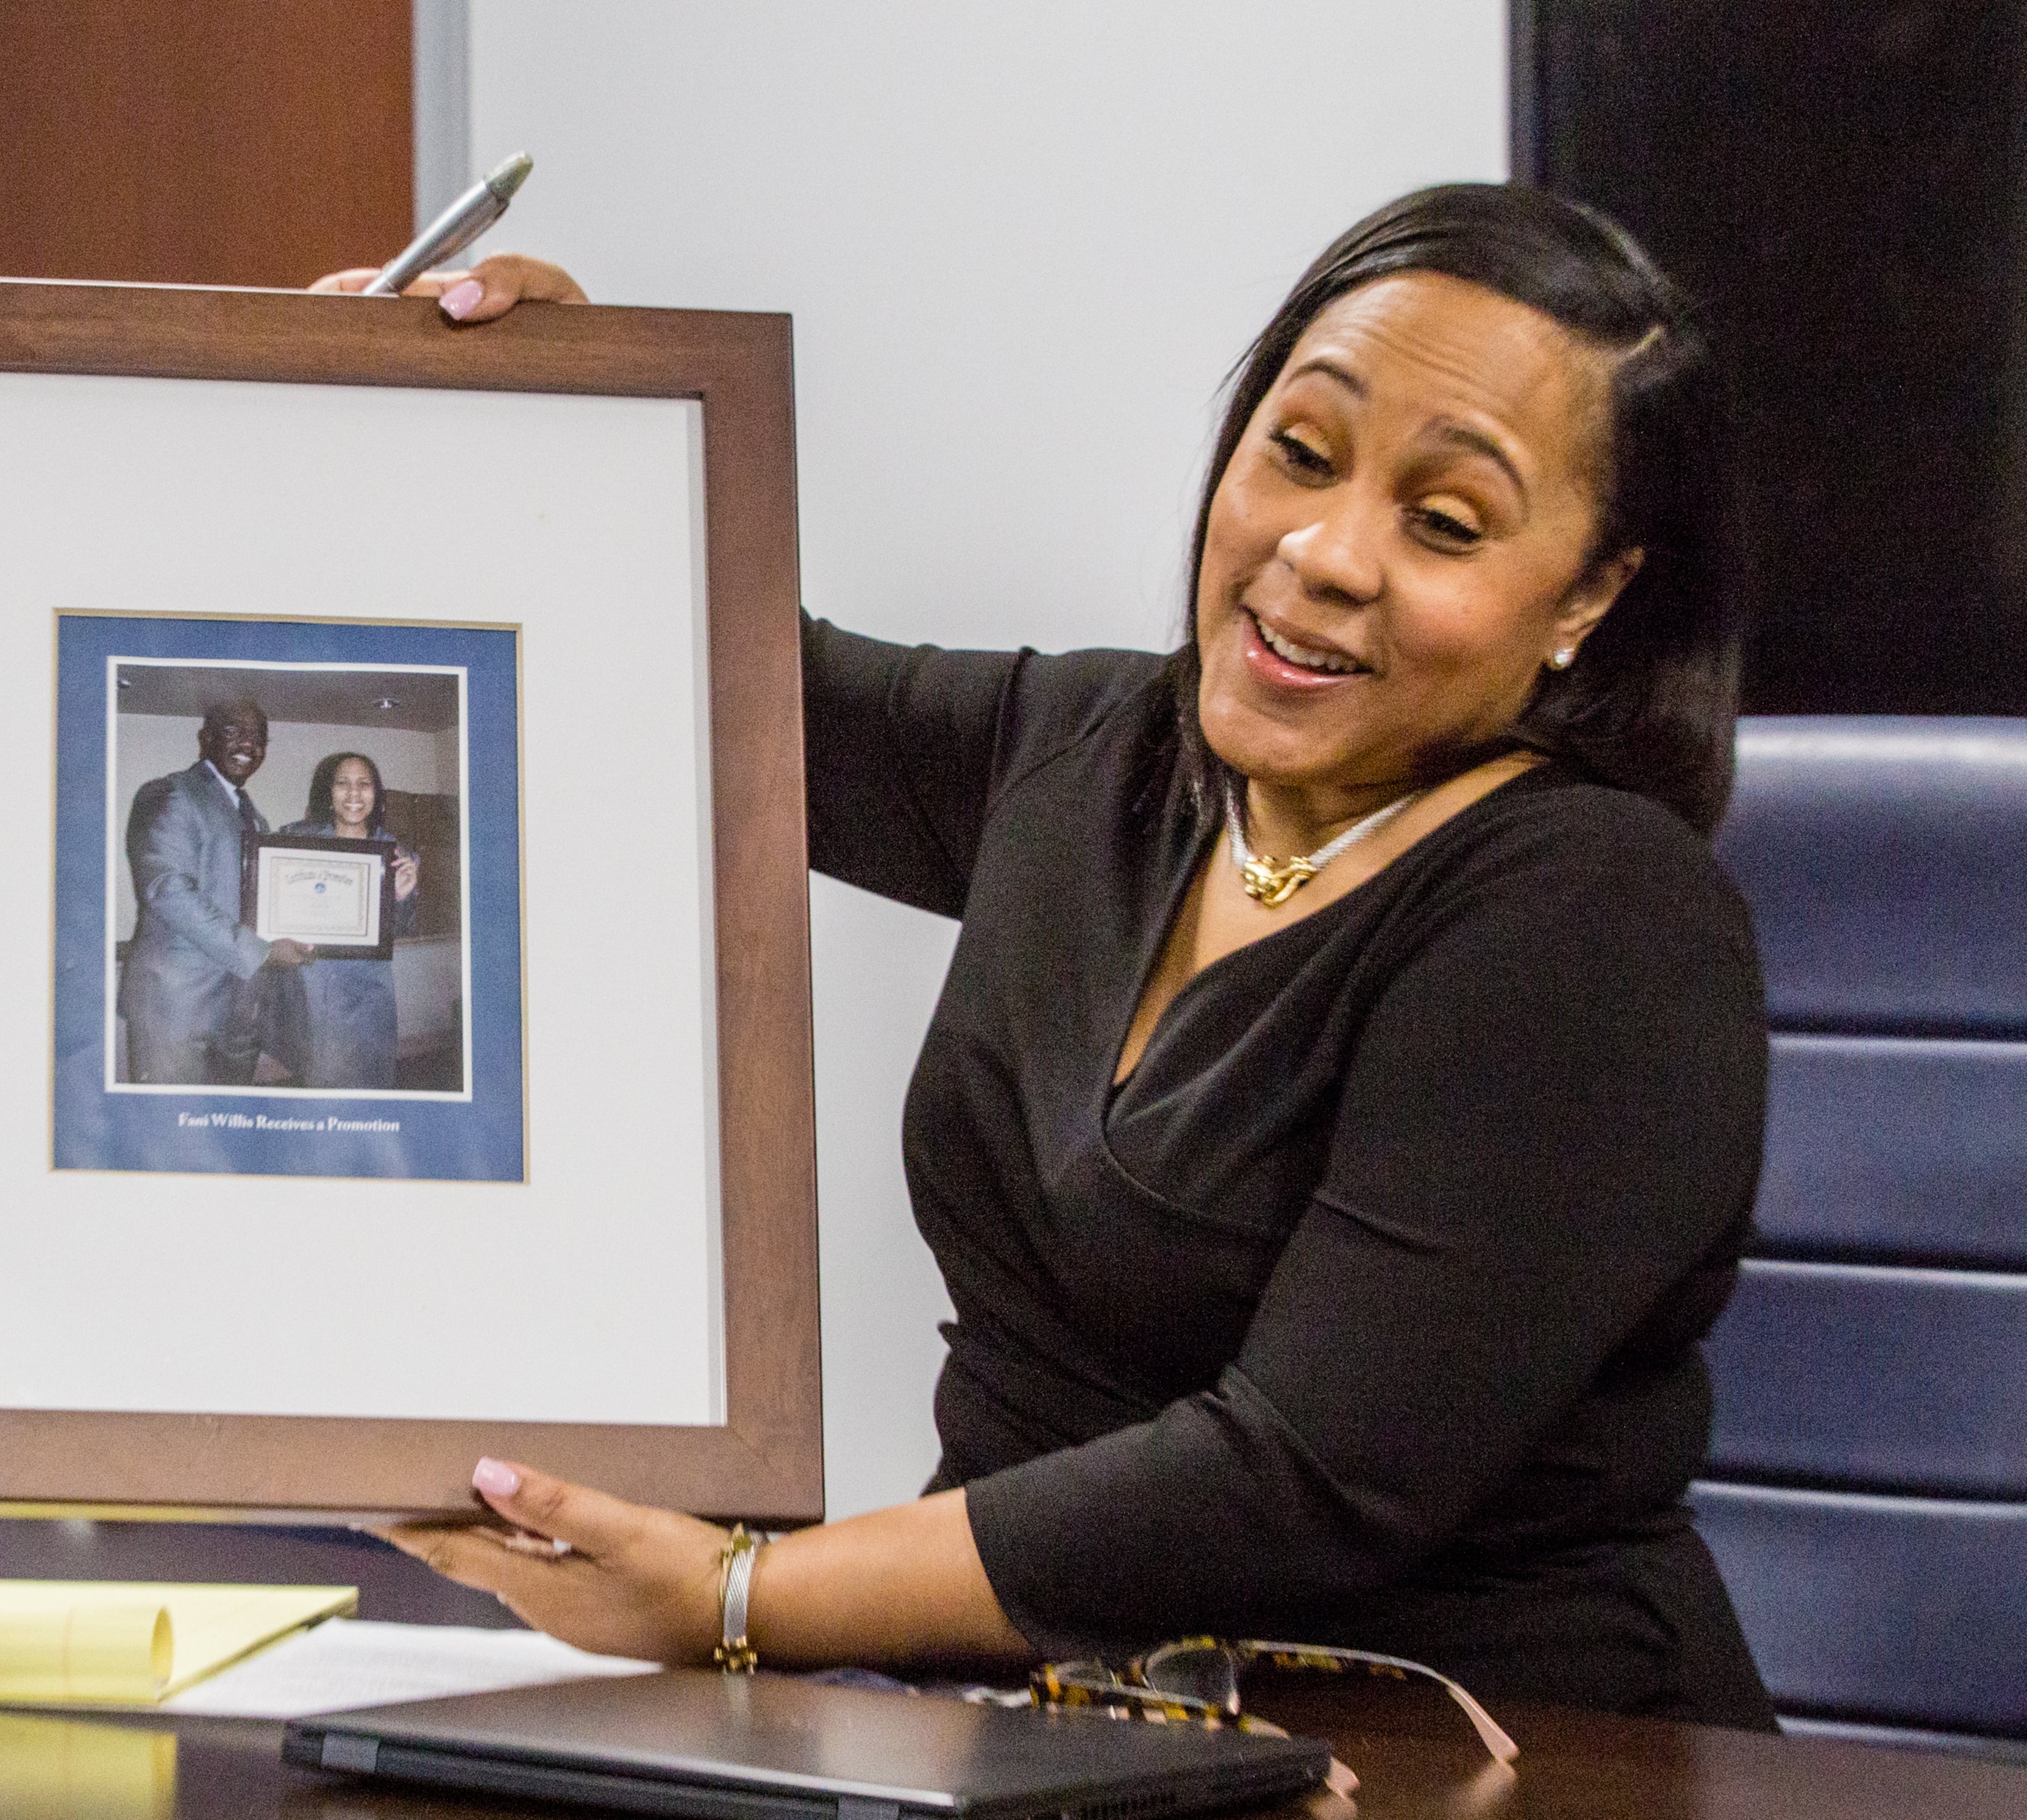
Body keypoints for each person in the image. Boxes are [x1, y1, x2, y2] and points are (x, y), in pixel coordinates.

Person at [322, 183, 1779, 1728]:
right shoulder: (1097, 755)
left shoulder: (1597, 915)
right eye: (1298, 452)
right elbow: (692, 672)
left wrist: (741, 1598)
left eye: (1442, 523)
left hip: (1482, 1743)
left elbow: (1295, 1481)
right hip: (1054, 1731)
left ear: (1591, 593)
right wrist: (535, 409)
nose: (1324, 550)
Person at [120, 697, 313, 1084]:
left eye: (258, 738)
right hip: (177, 1007)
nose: (247, 745)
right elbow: (166, 890)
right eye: (233, 732)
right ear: (205, 738)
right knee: (174, 1130)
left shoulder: (253, 816)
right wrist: (261, 950)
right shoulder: (169, 793)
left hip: (241, 1007)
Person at [270, 752, 421, 1089]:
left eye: (364, 784)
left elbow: (402, 929)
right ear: (329, 792)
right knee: (322, 1084)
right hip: (315, 986)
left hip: (371, 989)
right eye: (343, 784)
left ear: (376, 793)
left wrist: (402, 896)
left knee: (374, 1082)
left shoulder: (397, 854)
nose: (354, 794)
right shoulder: (300, 840)